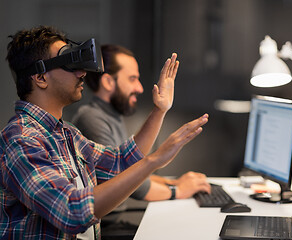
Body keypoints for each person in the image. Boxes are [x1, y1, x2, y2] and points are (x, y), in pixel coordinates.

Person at [0, 25, 209, 239]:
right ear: (41, 77)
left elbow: (120, 163)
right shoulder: (20, 139)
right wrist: (154, 160)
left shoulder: (67, 134)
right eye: (69, 65)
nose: (82, 73)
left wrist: (160, 110)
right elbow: (71, 210)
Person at [72, 45, 211, 205]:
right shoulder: (91, 118)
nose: (140, 88)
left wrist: (175, 183)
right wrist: (177, 191)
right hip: (110, 226)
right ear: (108, 82)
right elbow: (123, 178)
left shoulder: (111, 115)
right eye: (132, 79)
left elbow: (128, 168)